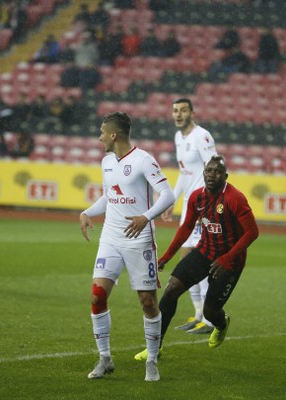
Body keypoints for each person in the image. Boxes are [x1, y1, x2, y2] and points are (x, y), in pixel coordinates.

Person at [133, 155, 259, 361]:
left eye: (217, 172)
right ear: (203, 173)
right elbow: (186, 228)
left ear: (225, 176)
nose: (212, 175)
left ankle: (221, 323)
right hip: (204, 252)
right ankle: (155, 347)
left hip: (230, 262)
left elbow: (252, 232)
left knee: (210, 312)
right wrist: (166, 256)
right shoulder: (196, 197)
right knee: (171, 289)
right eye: (209, 171)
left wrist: (227, 258)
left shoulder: (234, 198)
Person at [79, 112, 175, 381]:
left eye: (101, 132)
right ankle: (105, 358)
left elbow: (168, 195)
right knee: (98, 295)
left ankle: (152, 361)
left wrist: (146, 217)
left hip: (139, 238)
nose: (99, 137)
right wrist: (88, 211)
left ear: (113, 134)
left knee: (147, 302)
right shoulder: (107, 162)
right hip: (110, 237)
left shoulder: (143, 160)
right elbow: (110, 197)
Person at [161, 98, 218, 334]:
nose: (178, 114)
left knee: (198, 260)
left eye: (183, 110)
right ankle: (198, 314)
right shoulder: (179, 138)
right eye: (175, 110)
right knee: (188, 260)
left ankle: (209, 319)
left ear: (192, 113)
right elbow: (185, 174)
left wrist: (209, 202)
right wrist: (171, 199)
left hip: (202, 207)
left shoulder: (201, 136)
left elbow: (215, 166)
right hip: (189, 206)